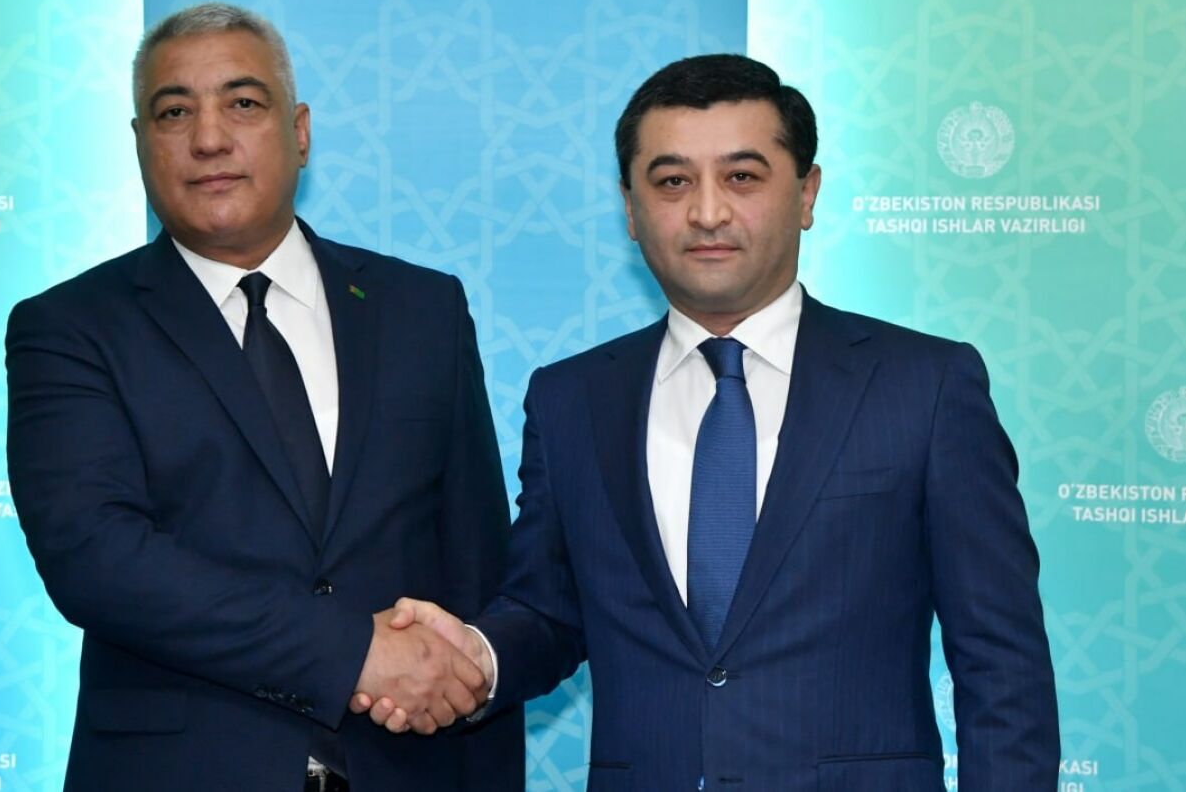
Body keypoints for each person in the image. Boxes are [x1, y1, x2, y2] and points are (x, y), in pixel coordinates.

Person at [357, 54, 1060, 790]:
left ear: (807, 193)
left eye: (742, 176)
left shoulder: (925, 386)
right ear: (630, 209)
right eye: (672, 182)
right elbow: (549, 611)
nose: (707, 213)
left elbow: (1001, 662)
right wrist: (477, 654)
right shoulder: (572, 399)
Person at [5, 2, 522, 791]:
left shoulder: (424, 309)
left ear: (300, 131)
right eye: (174, 112)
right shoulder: (71, 327)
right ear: (140, 142)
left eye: (243, 103)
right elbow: (98, 558)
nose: (209, 137)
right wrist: (353, 651)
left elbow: (477, 565)